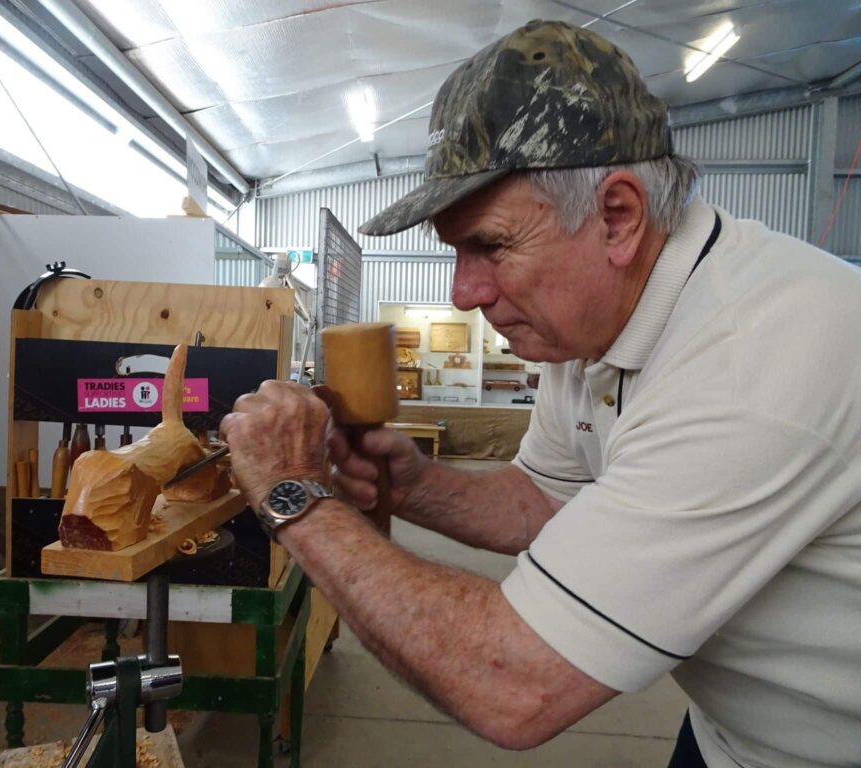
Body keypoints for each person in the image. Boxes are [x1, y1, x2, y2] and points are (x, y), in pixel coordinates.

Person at [219, 19, 861, 768]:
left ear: (617, 217)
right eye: (455, 252)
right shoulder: (592, 325)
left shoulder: (751, 362)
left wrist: (294, 497)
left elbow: (514, 683)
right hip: (734, 732)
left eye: (489, 246)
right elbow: (547, 500)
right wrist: (413, 483)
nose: (463, 293)